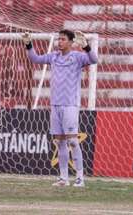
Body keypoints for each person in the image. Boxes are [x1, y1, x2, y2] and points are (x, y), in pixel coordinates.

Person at [22, 29, 98, 187]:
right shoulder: (54, 56)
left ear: (71, 42)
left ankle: (79, 178)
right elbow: (35, 58)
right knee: (60, 142)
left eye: (63, 39)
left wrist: (87, 47)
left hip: (70, 104)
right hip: (55, 104)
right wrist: (29, 44)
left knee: (73, 141)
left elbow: (94, 60)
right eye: (58, 39)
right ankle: (64, 178)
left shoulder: (77, 57)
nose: (59, 42)